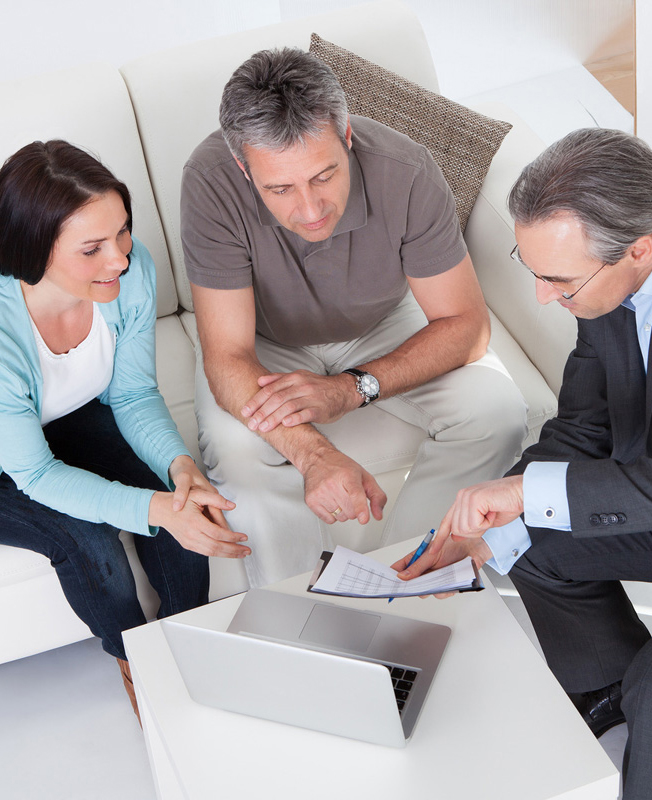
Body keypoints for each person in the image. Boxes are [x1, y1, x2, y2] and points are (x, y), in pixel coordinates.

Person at [180, 47, 527, 588]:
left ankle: (401, 582)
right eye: (280, 189)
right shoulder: (209, 180)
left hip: (384, 321)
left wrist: (349, 390)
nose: (311, 209)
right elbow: (227, 355)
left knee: (498, 410)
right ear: (244, 169)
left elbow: (467, 325)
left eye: (324, 176)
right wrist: (315, 454)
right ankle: (302, 611)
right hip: (264, 340)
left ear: (347, 140)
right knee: (238, 452)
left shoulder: (406, 169)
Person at [394, 127, 652, 800]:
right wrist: (497, 514)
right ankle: (608, 699)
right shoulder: (606, 287)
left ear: (641, 249)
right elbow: (584, 424)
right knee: (525, 536)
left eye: (558, 281)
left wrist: (524, 494)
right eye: (532, 270)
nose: (543, 297)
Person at [0, 140, 250, 721]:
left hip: (60, 416)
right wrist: (157, 507)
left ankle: (184, 633)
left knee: (183, 505)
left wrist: (179, 469)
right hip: (11, 458)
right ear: (34, 249)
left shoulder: (132, 273)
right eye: (92, 248)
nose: (119, 258)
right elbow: (33, 471)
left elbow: (133, 394)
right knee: (89, 542)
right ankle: (134, 655)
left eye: (122, 232)